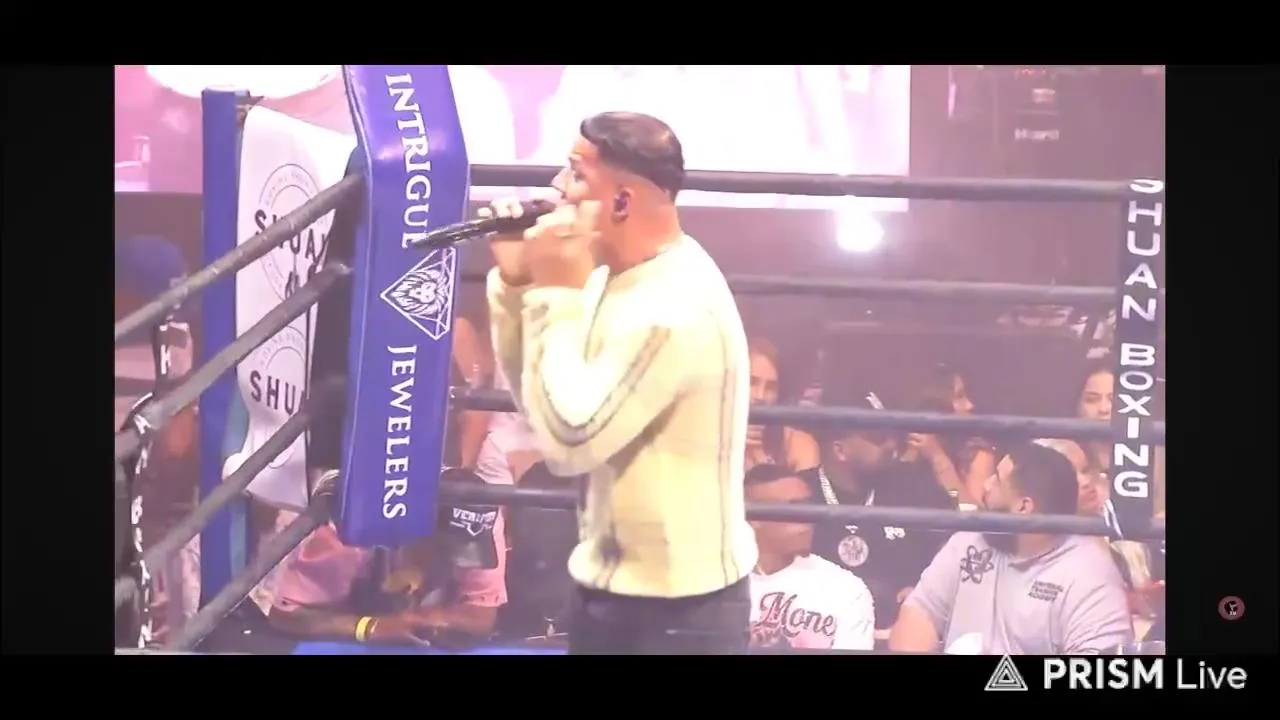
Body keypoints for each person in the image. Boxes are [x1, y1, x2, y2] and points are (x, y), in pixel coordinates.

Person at [482, 111, 757, 654]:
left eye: (575, 173)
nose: (557, 187)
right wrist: (518, 286)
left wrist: (555, 293)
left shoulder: (675, 306)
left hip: (681, 613)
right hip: (609, 587)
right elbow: (544, 407)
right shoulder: (612, 279)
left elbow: (569, 444)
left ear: (622, 201)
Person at [888, 443, 1133, 655]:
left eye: (996, 479)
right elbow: (919, 615)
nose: (986, 485)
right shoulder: (970, 541)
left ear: (1023, 507)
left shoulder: (1090, 578)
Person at [264, 468, 507, 649]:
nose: (451, 560)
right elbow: (285, 615)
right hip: (291, 595)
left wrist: (431, 620)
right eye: (443, 549)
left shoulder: (479, 522)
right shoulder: (349, 531)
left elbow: (482, 614)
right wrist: (370, 627)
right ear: (416, 526)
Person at [803, 386, 956, 629]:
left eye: (890, 433)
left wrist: (926, 590)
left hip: (901, 632)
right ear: (839, 450)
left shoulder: (912, 485)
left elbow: (954, 548)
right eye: (877, 437)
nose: (890, 444)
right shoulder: (801, 494)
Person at [745, 464, 875, 652]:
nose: (806, 517)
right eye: (794, 508)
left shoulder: (845, 589)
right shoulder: (718, 582)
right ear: (754, 518)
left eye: (808, 505)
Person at [745, 337, 820, 473]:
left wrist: (758, 454)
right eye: (752, 382)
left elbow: (808, 487)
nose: (760, 396)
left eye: (770, 387)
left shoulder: (797, 443)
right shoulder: (710, 434)